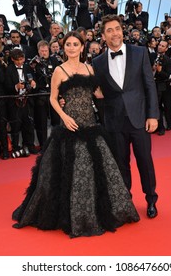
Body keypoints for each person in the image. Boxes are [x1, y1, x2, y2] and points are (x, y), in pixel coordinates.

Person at [12, 31, 140, 238]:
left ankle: (102, 212)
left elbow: (98, 93)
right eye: (68, 45)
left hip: (91, 125)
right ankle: (76, 216)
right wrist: (64, 116)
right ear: (64, 48)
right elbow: (53, 98)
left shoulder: (90, 68)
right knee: (72, 171)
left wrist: (124, 89)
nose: (71, 48)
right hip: (69, 126)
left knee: (103, 169)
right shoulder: (59, 70)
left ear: (82, 47)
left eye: (75, 44)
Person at [92, 14, 159, 218]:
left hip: (139, 118)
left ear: (123, 30)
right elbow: (98, 91)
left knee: (145, 162)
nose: (115, 33)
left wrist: (153, 115)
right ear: (103, 36)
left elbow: (149, 85)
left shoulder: (140, 53)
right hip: (114, 121)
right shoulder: (97, 62)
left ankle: (151, 199)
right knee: (121, 164)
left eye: (117, 29)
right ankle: (126, 201)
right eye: (109, 30)